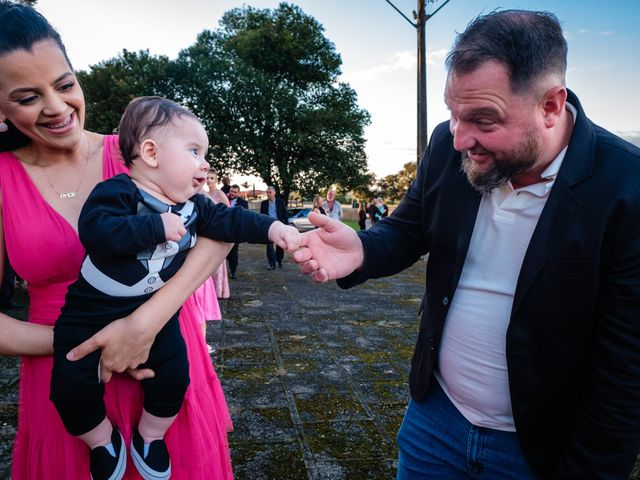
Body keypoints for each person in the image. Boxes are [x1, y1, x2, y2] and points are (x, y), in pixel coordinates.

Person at [293, 9, 640, 480]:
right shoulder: (447, 144)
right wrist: (363, 250)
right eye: (454, 115)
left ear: (552, 106)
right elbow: (410, 228)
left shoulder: (627, 186)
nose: (460, 139)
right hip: (436, 419)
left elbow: (625, 369)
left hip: (541, 446)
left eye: (483, 119)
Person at [0, 4, 242, 478]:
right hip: (65, 376)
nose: (56, 107)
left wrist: (143, 326)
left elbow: (218, 230)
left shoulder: (138, 152)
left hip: (164, 360)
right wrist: (85, 343)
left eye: (65, 84)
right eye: (28, 97)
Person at [48, 96, 299, 480]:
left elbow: (232, 222)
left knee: (175, 375)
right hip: (89, 311)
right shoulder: (119, 192)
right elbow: (96, 231)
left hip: (156, 313)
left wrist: (274, 229)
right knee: (69, 384)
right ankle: (101, 441)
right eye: (195, 151)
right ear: (151, 152)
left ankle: (150, 437)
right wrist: (153, 227)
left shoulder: (196, 206)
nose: (205, 164)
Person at [260, 186, 289, 270]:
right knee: (269, 245)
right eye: (267, 193)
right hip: (268, 226)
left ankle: (279, 260)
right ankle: (272, 263)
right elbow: (261, 215)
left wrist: (286, 225)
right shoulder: (264, 203)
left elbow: (285, 214)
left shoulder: (280, 202)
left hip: (279, 225)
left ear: (274, 193)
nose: (268, 194)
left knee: (280, 244)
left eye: (270, 192)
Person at [226, 184, 249, 279]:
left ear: (238, 193)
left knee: (233, 252)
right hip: (223, 228)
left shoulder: (243, 202)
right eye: (231, 191)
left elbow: (245, 216)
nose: (233, 193)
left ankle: (233, 270)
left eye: (235, 192)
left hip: (235, 230)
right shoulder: (223, 198)